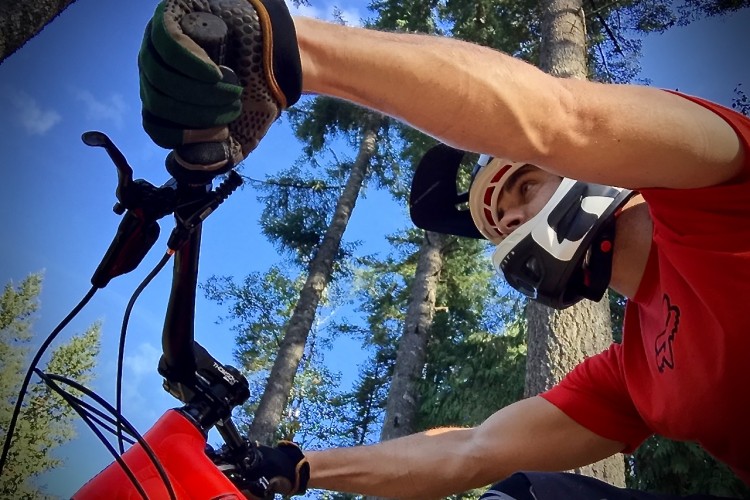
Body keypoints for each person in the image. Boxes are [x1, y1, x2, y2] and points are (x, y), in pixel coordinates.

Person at [138, 0, 750, 498]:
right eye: (499, 222)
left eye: (523, 186)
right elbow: (469, 451)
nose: (509, 221)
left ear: (586, 171)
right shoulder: (634, 371)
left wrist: (283, 49)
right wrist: (300, 466)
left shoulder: (720, 193)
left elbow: (564, 118)